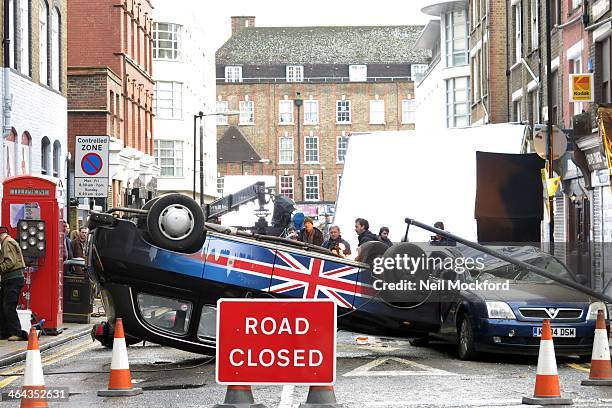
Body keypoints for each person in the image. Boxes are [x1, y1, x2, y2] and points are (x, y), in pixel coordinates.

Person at [0, 227, 28, 341]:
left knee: (9, 306)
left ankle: (16, 332)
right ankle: (5, 332)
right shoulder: (7, 242)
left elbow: (10, 261)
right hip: (10, 279)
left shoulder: (7, 242)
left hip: (13, 279)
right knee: (4, 306)